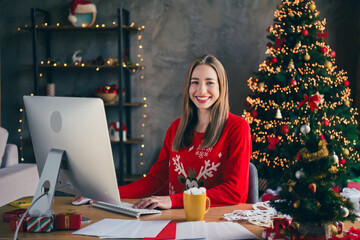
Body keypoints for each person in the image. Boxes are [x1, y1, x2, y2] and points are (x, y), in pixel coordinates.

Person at [119, 54, 252, 209]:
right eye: (195, 82)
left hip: (216, 220)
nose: (201, 90)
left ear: (221, 87)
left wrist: (173, 200)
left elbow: (234, 191)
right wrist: (112, 194)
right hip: (175, 218)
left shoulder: (237, 127)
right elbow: (156, 180)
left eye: (210, 83)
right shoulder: (176, 128)